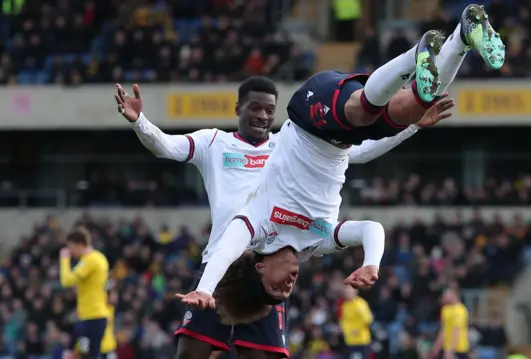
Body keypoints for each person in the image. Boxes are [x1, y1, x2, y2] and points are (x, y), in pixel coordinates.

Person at [175, 2, 504, 319]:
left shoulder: (259, 229)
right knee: (417, 104)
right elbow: (369, 228)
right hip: (342, 138)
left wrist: (206, 288)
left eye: (276, 288)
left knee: (361, 111)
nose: (288, 286)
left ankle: (414, 53)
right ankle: (464, 34)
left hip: (309, 113)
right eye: (286, 293)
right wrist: (372, 262)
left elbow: (227, 247)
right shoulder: (318, 244)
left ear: (260, 268)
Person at [115, 76, 433, 359]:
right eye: (255, 107)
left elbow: (357, 153)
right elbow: (165, 147)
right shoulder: (213, 141)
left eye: (270, 110)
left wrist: (411, 127)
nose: (263, 115)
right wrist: (139, 120)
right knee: (191, 352)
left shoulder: (287, 142)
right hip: (222, 265)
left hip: (269, 265)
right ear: (238, 107)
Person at [59, 228, 110, 359]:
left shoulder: (91, 260)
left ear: (80, 245)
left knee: (83, 354)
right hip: (89, 315)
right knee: (78, 353)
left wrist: (64, 259)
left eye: (71, 247)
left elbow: (66, 280)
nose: (70, 251)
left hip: (93, 316)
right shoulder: (95, 258)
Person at [431, 287, 470, 359]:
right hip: (445, 347)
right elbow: (443, 329)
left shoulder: (460, 310)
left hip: (459, 348)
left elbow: (456, 331)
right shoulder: (445, 309)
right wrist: (437, 346)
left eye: (446, 295)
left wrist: (450, 351)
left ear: (453, 295)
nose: (444, 297)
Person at [339, 285, 373, 359]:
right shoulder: (345, 305)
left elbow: (368, 320)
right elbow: (343, 320)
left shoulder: (360, 304)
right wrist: (344, 329)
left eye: (349, 292)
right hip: (349, 340)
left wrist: (357, 329)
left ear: (355, 292)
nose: (347, 294)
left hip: (361, 340)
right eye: (346, 292)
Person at [100, 286, 118, 359]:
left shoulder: (111, 309)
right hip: (100, 348)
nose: (116, 297)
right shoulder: (100, 309)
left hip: (110, 347)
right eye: (114, 295)